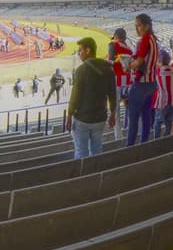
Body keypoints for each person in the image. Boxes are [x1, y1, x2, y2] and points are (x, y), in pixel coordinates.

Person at [65, 37, 116, 159]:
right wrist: (113, 114)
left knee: (81, 152)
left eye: (80, 50)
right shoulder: (109, 69)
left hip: (83, 119)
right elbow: (112, 93)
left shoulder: (81, 70)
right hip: (100, 118)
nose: (79, 53)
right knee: (97, 150)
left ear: (87, 51)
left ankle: (83, 177)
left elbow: (75, 96)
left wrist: (69, 115)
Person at [123, 14, 159, 146]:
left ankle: (130, 147)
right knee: (146, 117)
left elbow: (139, 62)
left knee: (133, 120)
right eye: (135, 26)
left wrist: (128, 66)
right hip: (151, 84)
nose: (136, 29)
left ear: (146, 26)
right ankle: (144, 144)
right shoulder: (154, 40)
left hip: (141, 85)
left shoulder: (145, 39)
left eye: (138, 25)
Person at [107, 28, 133, 96]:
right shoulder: (130, 50)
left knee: (115, 104)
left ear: (115, 36)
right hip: (128, 80)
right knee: (126, 102)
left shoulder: (113, 45)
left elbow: (110, 63)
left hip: (117, 79)